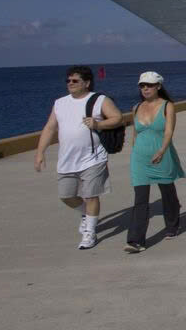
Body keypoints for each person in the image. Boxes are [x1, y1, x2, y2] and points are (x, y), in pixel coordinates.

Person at [35, 65, 123, 250]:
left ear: (87, 82)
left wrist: (98, 124)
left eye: (75, 80)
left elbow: (117, 118)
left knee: (91, 195)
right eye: (68, 80)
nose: (70, 83)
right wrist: (40, 152)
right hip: (67, 159)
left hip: (93, 157)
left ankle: (90, 233)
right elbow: (50, 127)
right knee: (66, 196)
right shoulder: (60, 102)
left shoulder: (99, 99)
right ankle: (86, 214)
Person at [124, 72, 185, 253]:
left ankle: (173, 225)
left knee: (167, 192)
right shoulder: (136, 107)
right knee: (140, 199)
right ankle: (136, 240)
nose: (145, 88)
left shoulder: (168, 106)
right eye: (142, 85)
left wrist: (162, 150)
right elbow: (135, 134)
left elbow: (168, 132)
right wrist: (134, 152)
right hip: (140, 159)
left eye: (149, 85)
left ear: (158, 86)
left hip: (162, 154)